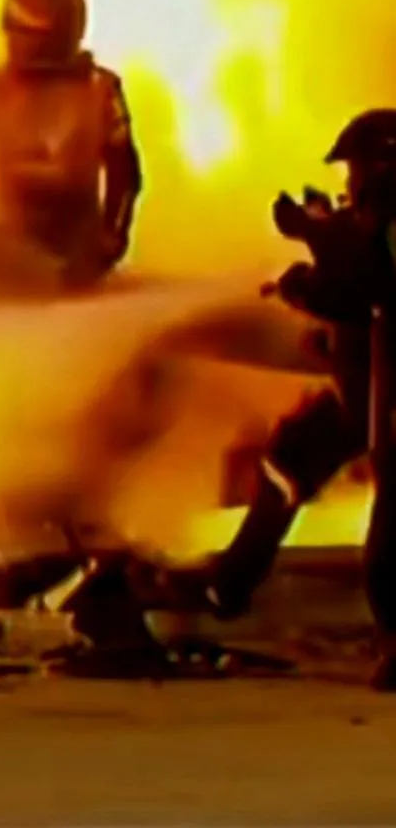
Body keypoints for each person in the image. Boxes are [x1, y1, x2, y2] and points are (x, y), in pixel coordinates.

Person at [165, 111, 396, 688]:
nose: (349, 185)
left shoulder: (382, 230)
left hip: (385, 399)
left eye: (356, 171)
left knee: (392, 532)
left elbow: (366, 287)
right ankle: (228, 585)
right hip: (362, 389)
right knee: (290, 459)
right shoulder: (369, 227)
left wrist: (306, 272)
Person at [0, 0, 142, 288]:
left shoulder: (99, 90)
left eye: (31, 36)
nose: (18, 43)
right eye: (18, 32)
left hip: (69, 263)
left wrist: (108, 245)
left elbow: (125, 174)